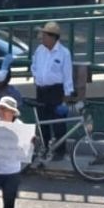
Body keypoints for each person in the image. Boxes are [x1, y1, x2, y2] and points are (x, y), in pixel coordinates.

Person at [30, 21, 74, 159]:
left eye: (44, 35)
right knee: (42, 120)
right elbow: (34, 66)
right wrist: (36, 76)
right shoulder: (39, 50)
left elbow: (67, 75)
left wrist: (67, 96)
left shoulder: (64, 53)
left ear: (52, 37)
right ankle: (44, 146)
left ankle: (59, 151)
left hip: (56, 91)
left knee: (58, 121)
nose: (41, 38)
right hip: (42, 90)